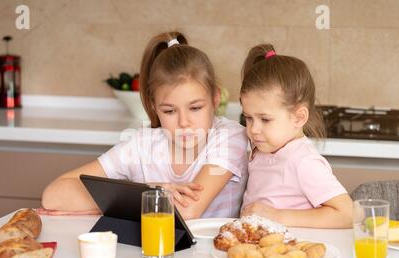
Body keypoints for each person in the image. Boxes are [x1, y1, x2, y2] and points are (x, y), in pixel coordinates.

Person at [40, 31, 248, 219]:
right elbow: (53, 195)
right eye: (169, 111)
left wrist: (110, 204)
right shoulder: (142, 144)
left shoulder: (229, 137)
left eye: (195, 108)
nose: (184, 123)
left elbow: (187, 211)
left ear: (215, 99)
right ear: (153, 107)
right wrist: (152, 190)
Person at [239, 44, 353, 228]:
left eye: (265, 120)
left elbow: (347, 214)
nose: (253, 129)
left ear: (299, 117)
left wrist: (277, 216)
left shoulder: (303, 161)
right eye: (249, 118)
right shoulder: (263, 149)